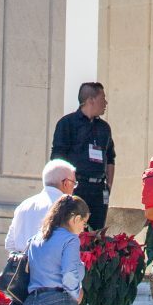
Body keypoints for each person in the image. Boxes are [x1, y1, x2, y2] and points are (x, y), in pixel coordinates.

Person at [3, 161, 79, 305]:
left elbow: (10, 244)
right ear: (66, 183)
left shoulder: (25, 205)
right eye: (74, 183)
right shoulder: (64, 206)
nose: (74, 188)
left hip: (23, 282)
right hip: (49, 280)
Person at [51, 84, 115, 232]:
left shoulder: (104, 128)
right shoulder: (67, 123)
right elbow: (57, 158)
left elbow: (110, 158)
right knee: (74, 231)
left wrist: (108, 185)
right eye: (103, 98)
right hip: (77, 187)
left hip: (99, 190)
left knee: (96, 234)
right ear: (91, 100)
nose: (106, 103)